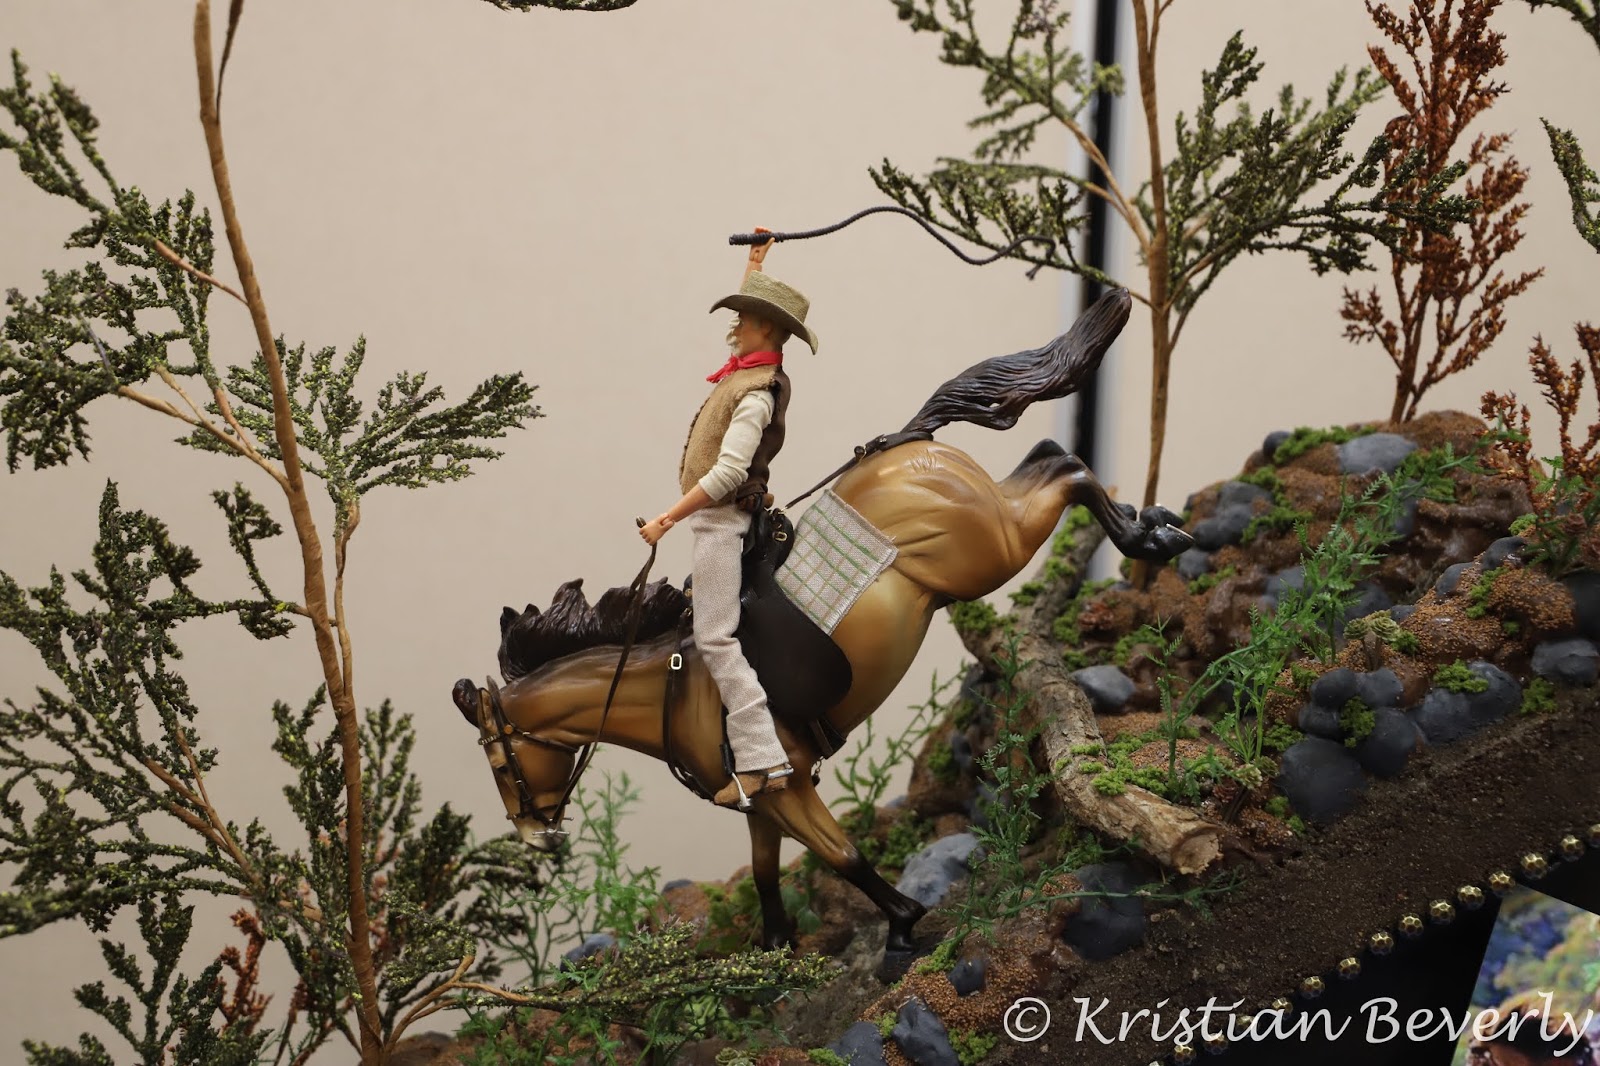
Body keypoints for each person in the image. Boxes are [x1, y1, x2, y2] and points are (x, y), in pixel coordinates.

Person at [638, 230, 819, 809]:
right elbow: (751, 317)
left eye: (744, 319)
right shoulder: (746, 369)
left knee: (715, 639)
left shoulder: (757, 393)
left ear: (766, 329)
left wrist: (666, 519)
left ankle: (763, 759)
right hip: (710, 524)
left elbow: (725, 476)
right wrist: (756, 264)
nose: (734, 327)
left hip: (721, 525)